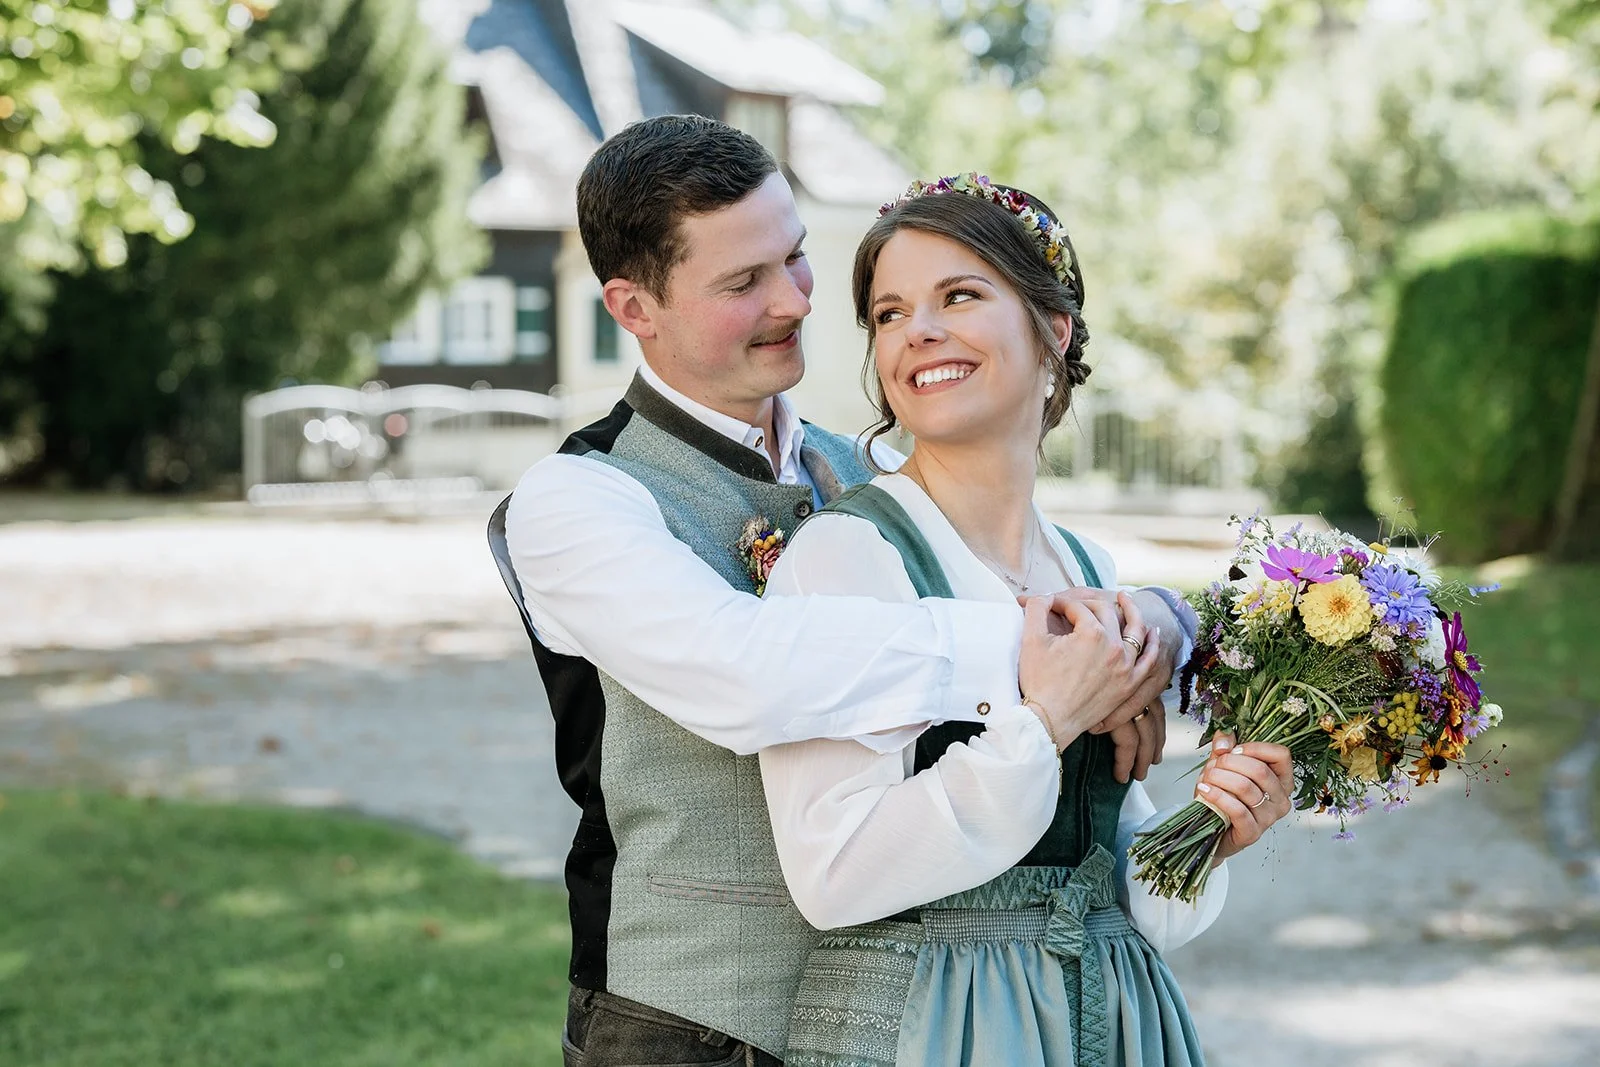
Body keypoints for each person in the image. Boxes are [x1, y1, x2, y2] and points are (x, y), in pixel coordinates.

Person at [501, 117, 1195, 1067]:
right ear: (634, 306)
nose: (792, 301)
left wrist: (1155, 619)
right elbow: (746, 676)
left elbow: (1017, 552)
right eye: (743, 283)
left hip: (911, 1019)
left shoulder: (861, 477)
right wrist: (1071, 653)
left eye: (794, 258)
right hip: (686, 1027)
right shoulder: (579, 498)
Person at [759, 175, 1296, 1067]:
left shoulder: (1087, 569)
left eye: (959, 295)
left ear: (1054, 328)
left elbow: (1107, 869)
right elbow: (834, 873)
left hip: (1106, 1014)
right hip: (934, 1024)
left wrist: (1212, 827)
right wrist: (1040, 725)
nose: (917, 331)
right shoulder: (849, 559)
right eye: (889, 313)